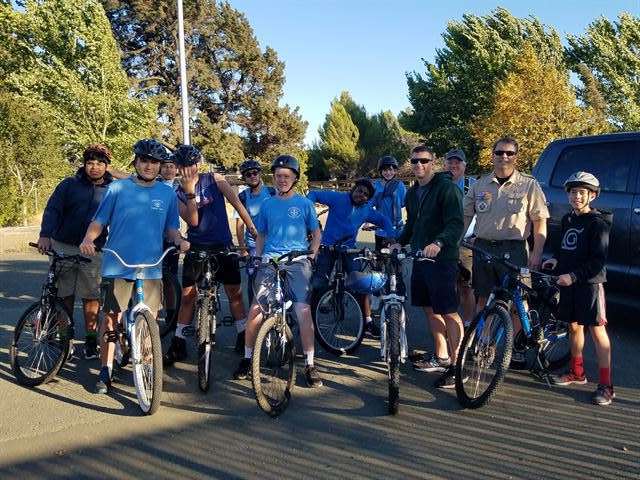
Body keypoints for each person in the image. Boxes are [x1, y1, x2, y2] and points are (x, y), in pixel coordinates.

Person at [79, 139, 189, 394]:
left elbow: (171, 227)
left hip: (151, 266)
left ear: (160, 166)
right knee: (111, 320)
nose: (149, 166)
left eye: (154, 162)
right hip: (117, 264)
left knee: (149, 319)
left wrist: (179, 240)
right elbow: (99, 221)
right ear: (136, 162)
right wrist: (88, 239)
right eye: (145, 160)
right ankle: (106, 369)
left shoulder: (166, 193)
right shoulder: (117, 188)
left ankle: (148, 367)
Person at [233, 154, 323, 387]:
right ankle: (247, 357)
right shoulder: (268, 204)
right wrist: (258, 256)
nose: (282, 180)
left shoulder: (304, 204)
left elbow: (316, 233)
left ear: (294, 178)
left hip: (297, 261)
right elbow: (261, 233)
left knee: (303, 311)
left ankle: (311, 364)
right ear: (273, 178)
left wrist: (312, 254)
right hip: (271, 260)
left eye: (286, 176)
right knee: (256, 310)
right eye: (278, 176)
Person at [163, 145, 257, 366]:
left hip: (223, 244)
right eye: (184, 166)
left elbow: (237, 203)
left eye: (192, 164)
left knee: (234, 293)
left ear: (198, 163)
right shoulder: (176, 192)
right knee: (188, 297)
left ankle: (243, 335)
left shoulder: (214, 179)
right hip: (196, 246)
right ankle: (178, 342)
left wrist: (251, 227)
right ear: (178, 167)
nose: (189, 169)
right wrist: (189, 191)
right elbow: (193, 221)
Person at [463, 137, 549, 358]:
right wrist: (453, 244)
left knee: (519, 301)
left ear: (516, 156)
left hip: (515, 249)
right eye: (500, 152)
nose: (504, 157)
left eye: (509, 153)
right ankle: (483, 342)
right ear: (492, 154)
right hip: (484, 248)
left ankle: (517, 345)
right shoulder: (479, 184)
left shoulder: (529, 185)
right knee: (483, 298)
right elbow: (464, 217)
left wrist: (537, 253)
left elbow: (540, 221)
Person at [394, 145, 465, 388]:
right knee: (429, 309)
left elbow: (456, 224)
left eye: (424, 161)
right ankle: (441, 356)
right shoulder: (412, 193)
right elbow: (411, 224)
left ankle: (458, 366)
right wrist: (398, 242)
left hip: (442, 260)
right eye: (414, 161)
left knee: (448, 311)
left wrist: (438, 242)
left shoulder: (447, 189)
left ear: (433, 162)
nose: (419, 165)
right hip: (420, 259)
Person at [543, 172, 614, 406]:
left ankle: (606, 385)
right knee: (574, 327)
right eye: (573, 192)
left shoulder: (598, 223)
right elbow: (564, 248)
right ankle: (577, 372)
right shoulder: (568, 220)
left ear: (592, 196)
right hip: (568, 282)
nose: (577, 196)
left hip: (589, 285)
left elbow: (598, 261)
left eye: (582, 192)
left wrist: (573, 276)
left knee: (597, 331)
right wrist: (555, 259)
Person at [38, 144, 115, 359]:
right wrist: (45, 234)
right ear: (84, 164)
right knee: (64, 295)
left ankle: (91, 339)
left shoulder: (113, 189)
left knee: (91, 296)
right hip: (64, 245)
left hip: (93, 249)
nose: (95, 167)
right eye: (90, 163)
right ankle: (65, 337)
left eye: (100, 163)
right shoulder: (69, 185)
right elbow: (53, 209)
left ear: (107, 166)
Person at [307, 178, 395, 336]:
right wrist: (310, 216)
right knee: (319, 282)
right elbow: (313, 194)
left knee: (361, 283)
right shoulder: (338, 198)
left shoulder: (366, 209)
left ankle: (367, 321)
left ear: (368, 198)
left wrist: (391, 237)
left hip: (349, 249)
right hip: (328, 246)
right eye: (359, 190)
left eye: (366, 194)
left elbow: (383, 220)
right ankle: (310, 320)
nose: (361, 195)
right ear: (353, 189)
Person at [233, 159, 275, 302]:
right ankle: (254, 311)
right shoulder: (243, 196)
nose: (252, 176)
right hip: (253, 246)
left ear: (260, 173)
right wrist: (243, 248)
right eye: (248, 174)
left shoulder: (272, 191)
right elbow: (239, 224)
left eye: (255, 173)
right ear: (244, 178)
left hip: (273, 243)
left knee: (277, 278)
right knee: (254, 280)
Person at [444, 148, 476, 327]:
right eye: (450, 162)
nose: (453, 165)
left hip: (465, 243)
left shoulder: (472, 185)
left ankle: (468, 324)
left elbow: (484, 213)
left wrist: (477, 235)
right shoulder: (439, 183)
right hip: (443, 243)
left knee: (466, 286)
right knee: (448, 286)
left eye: (457, 162)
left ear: (465, 165)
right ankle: (452, 324)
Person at [372, 155, 406, 251]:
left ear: (395, 171)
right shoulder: (376, 185)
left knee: (398, 257)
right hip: (381, 227)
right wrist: (366, 221)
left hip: (397, 228)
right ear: (381, 171)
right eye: (385, 170)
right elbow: (370, 204)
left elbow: (405, 203)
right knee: (380, 256)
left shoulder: (400, 185)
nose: (388, 173)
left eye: (391, 170)